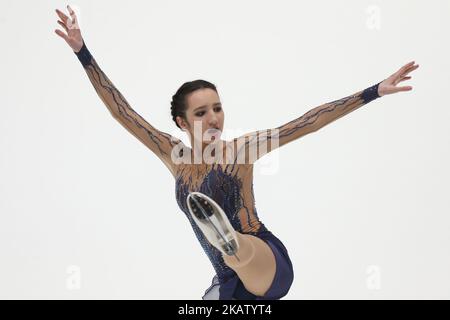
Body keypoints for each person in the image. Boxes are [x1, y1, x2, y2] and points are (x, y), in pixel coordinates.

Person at [54, 5, 419, 300]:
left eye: (217, 107)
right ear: (182, 122)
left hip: (265, 262)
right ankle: (226, 247)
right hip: (230, 285)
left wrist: (374, 91)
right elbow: (123, 112)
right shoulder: (173, 155)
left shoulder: (242, 150)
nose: (214, 118)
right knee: (224, 277)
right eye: (201, 113)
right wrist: (82, 52)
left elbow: (309, 122)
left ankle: (229, 238)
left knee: (238, 251)